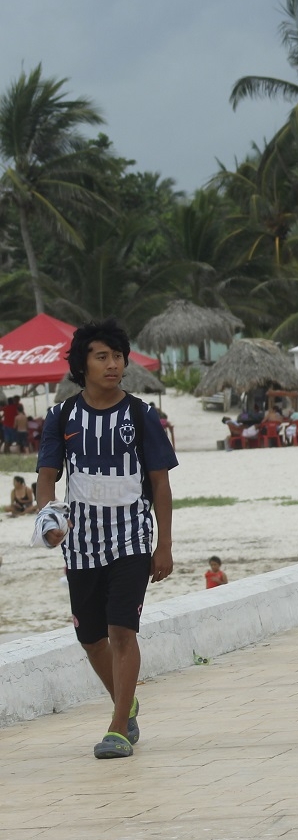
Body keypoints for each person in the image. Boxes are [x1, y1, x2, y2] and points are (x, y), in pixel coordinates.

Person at [35, 319, 178, 759]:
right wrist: (51, 519)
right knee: (90, 638)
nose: (112, 364)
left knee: (121, 631)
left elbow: (160, 483)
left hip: (131, 540)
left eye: (117, 356)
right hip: (81, 546)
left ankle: (119, 726)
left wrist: (164, 544)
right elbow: (46, 479)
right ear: (82, 364)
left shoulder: (141, 415)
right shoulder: (62, 418)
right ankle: (126, 699)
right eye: (102, 357)